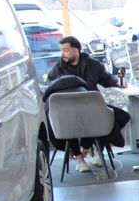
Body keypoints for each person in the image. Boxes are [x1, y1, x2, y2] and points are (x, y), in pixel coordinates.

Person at [45, 36, 130, 172]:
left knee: (119, 116)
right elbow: (50, 87)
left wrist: (119, 82)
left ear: (76, 50)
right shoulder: (58, 69)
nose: (62, 54)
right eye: (61, 50)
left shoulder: (93, 65)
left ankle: (90, 148)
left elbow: (106, 79)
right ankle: (80, 158)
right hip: (68, 110)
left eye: (65, 50)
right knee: (70, 121)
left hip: (91, 107)